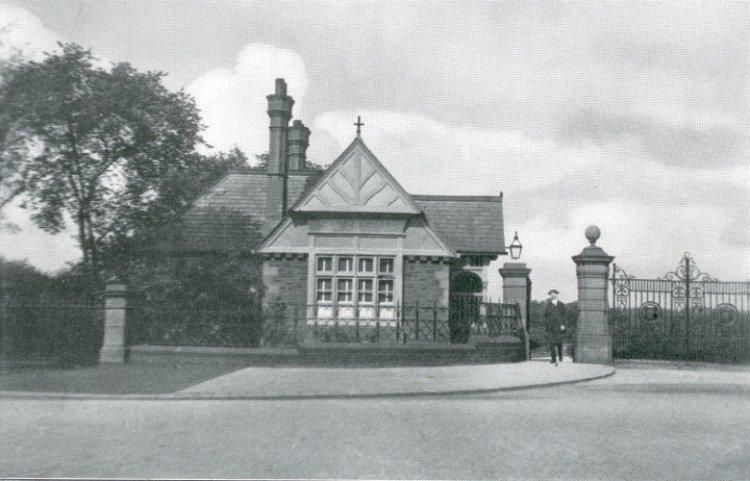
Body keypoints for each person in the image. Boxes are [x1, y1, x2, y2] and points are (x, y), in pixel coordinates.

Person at [544, 289, 566, 365]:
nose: (552, 295)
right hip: (551, 327)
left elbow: (564, 316)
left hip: (559, 327)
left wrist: (563, 325)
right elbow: (546, 315)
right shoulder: (548, 305)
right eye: (551, 294)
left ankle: (560, 357)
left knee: (559, 343)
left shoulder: (562, 305)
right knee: (551, 343)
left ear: (557, 294)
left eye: (554, 293)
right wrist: (547, 324)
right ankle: (553, 359)